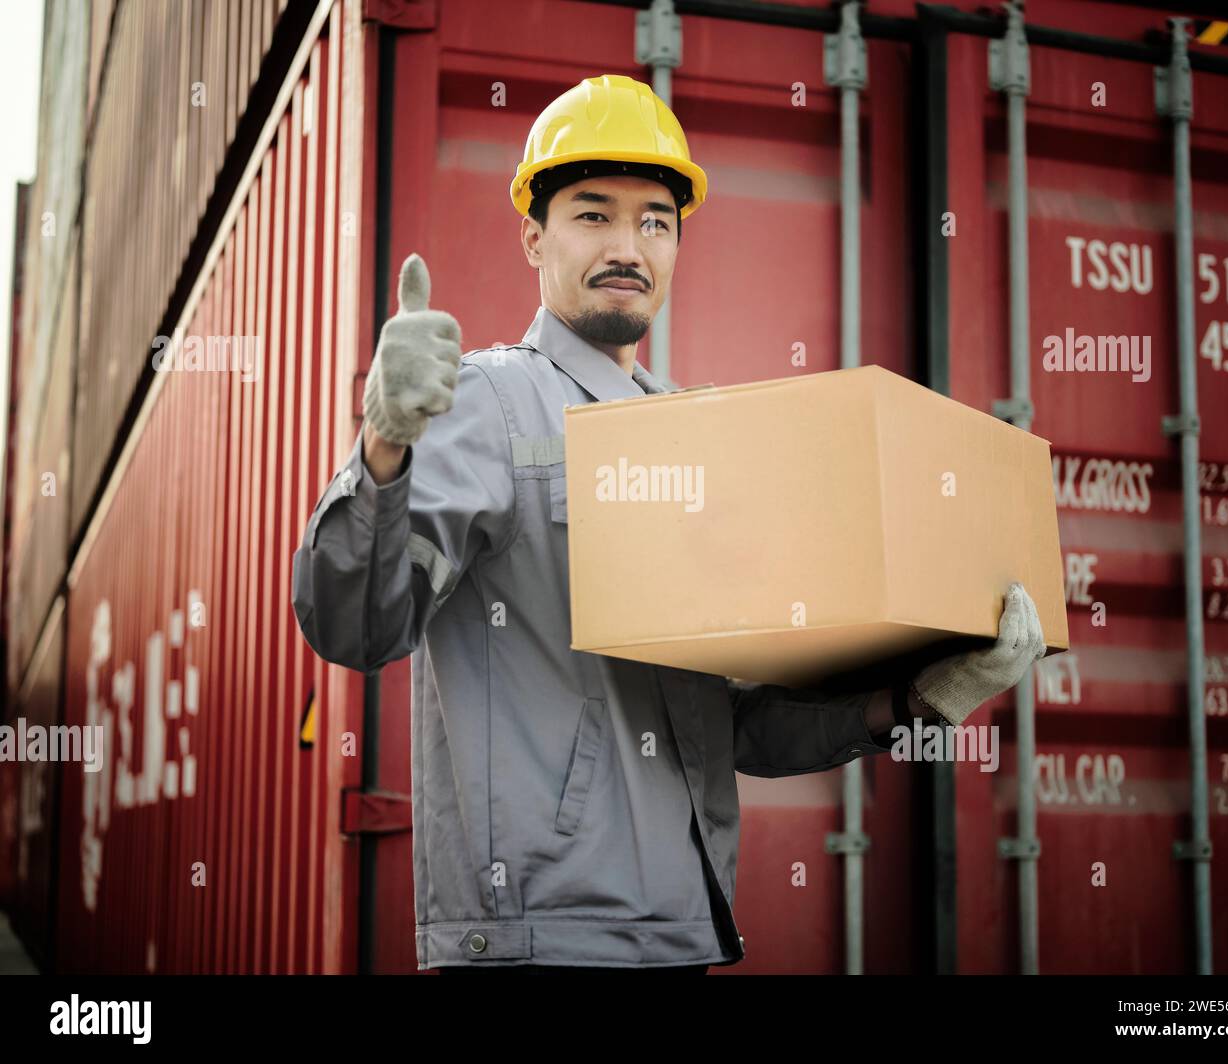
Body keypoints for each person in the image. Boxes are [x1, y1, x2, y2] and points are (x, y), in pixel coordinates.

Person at [291, 74, 1045, 974]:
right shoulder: (484, 404)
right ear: (534, 235)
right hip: (539, 944)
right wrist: (383, 446)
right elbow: (357, 627)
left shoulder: (697, 434)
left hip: (684, 933)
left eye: (656, 220)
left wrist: (928, 697)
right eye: (593, 214)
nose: (629, 244)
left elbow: (731, 729)